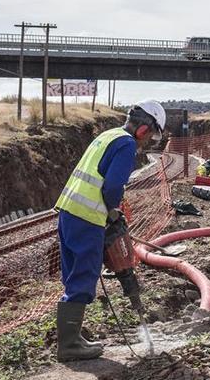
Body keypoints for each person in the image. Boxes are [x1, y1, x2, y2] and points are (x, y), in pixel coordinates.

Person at [53, 99, 166, 362]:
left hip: (69, 212)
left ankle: (72, 338)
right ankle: (68, 346)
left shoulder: (108, 135)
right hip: (88, 218)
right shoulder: (126, 144)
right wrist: (113, 211)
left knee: (73, 275)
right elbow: (112, 187)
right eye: (149, 137)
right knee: (85, 273)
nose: (145, 143)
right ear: (143, 129)